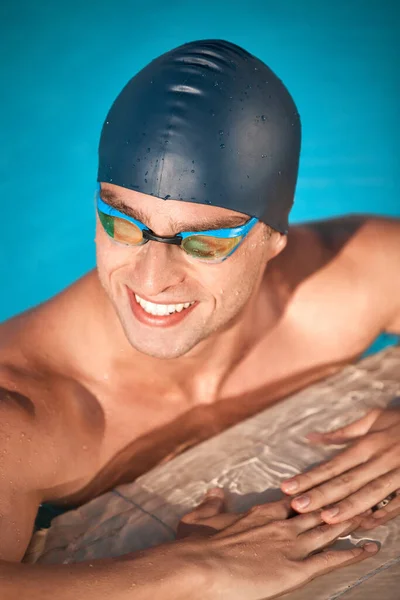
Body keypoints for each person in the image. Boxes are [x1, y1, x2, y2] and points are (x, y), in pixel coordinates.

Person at [0, 38, 398, 599]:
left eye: (204, 241)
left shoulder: (349, 279)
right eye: (123, 222)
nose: (152, 277)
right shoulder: (22, 412)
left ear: (272, 238)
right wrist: (195, 567)